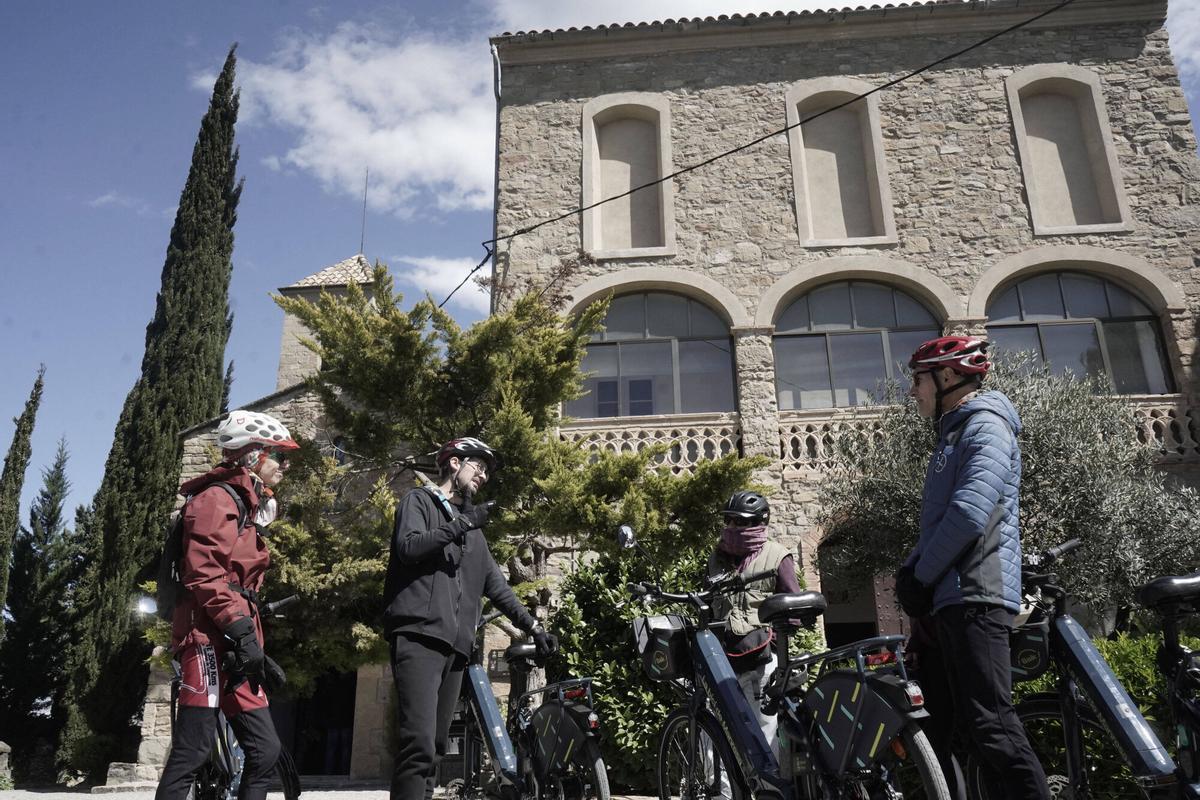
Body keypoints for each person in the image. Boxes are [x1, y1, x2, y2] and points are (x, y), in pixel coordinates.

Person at [896, 336, 1049, 800]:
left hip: (976, 594)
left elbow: (968, 514)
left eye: (918, 380)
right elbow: (941, 522)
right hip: (951, 598)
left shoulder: (987, 427)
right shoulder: (955, 432)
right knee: (935, 729)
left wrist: (921, 575)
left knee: (992, 726)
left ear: (947, 376)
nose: (913, 391)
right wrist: (912, 569)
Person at [383, 436, 557, 800]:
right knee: (417, 744)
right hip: (419, 635)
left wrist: (534, 627)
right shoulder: (420, 501)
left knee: (434, 747)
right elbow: (409, 547)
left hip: (456, 646)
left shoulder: (473, 533)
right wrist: (461, 524)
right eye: (478, 466)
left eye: (487, 471)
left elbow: (497, 586)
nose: (484, 475)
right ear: (453, 463)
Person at [155, 410, 298, 800]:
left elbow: (238, 582)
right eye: (278, 455)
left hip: (234, 641)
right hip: (204, 638)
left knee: (265, 750)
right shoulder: (216, 499)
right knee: (194, 749)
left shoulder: (246, 505)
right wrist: (240, 630)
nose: (285, 465)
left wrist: (250, 637)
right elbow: (204, 573)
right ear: (253, 455)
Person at [707, 490, 803, 757]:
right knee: (717, 736)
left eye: (740, 521)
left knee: (765, 736)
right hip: (721, 660)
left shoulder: (778, 556)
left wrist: (775, 641)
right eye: (728, 521)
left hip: (762, 659)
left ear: (759, 522)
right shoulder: (716, 558)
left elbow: (794, 607)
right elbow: (707, 603)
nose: (732, 527)